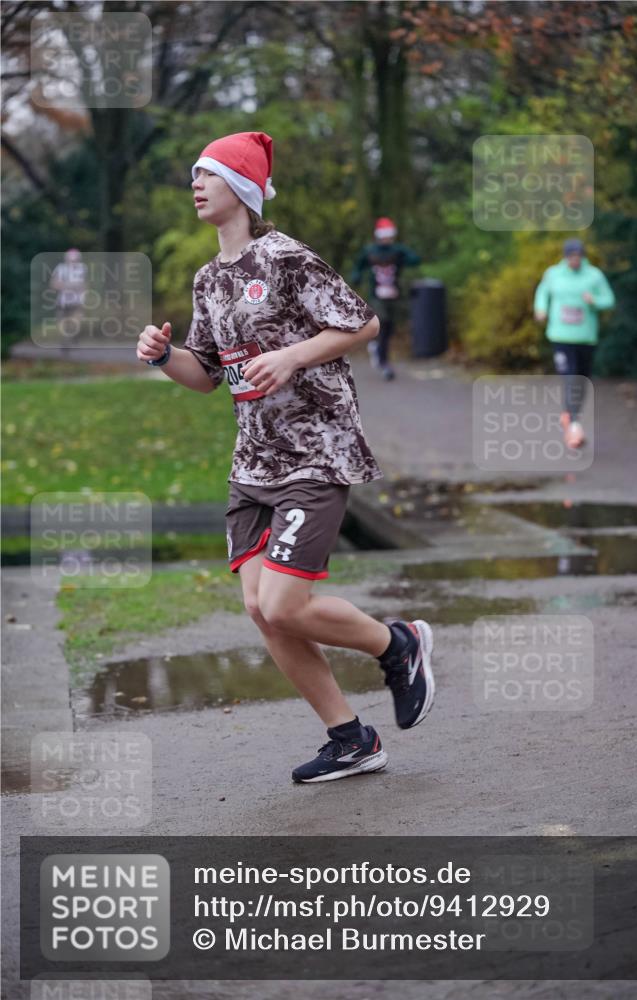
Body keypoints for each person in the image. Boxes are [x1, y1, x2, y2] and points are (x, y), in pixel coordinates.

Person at [136, 132, 435, 784]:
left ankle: (399, 644)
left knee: (286, 604)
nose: (195, 183)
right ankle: (349, 737)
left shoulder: (285, 256)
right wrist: (163, 357)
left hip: (316, 451)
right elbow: (206, 374)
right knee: (259, 608)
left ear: (240, 187)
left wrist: (294, 354)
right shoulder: (209, 279)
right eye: (193, 173)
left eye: (207, 173)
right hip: (252, 466)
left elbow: (361, 323)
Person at [534, 238, 615, 448]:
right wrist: (541, 309)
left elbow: (609, 300)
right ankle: (575, 425)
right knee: (570, 378)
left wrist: (594, 301)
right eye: (571, 256)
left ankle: (570, 415)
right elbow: (543, 292)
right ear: (565, 257)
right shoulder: (553, 274)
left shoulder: (594, 276)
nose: (575, 260)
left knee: (581, 381)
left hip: (585, 336)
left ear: (583, 256)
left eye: (578, 256)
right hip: (561, 336)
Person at [351, 218, 421, 380]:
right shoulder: (370, 251)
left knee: (390, 327)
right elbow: (358, 266)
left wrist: (404, 255)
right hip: (377, 295)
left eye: (389, 236)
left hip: (393, 294)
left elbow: (414, 259)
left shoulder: (397, 251)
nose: (387, 239)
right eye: (384, 236)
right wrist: (356, 276)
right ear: (378, 236)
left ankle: (377, 349)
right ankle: (384, 362)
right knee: (381, 323)